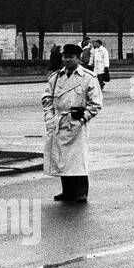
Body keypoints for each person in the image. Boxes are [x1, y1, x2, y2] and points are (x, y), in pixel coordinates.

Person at [41, 43, 102, 203]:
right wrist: (50, 117)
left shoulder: (88, 77)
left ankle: (81, 191)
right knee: (62, 157)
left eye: (71, 57)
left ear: (78, 58)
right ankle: (67, 190)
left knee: (77, 158)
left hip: (76, 122)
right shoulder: (55, 77)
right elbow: (47, 98)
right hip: (59, 121)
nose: (67, 60)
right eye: (65, 56)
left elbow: (95, 103)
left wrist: (83, 118)